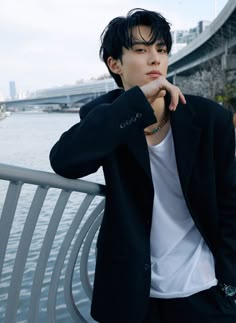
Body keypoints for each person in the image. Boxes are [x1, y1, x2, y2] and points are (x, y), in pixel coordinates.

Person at [49, 8, 236, 323]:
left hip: (207, 290)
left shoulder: (209, 119)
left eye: (161, 49)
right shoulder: (108, 117)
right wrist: (137, 102)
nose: (155, 58)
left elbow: (232, 203)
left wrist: (229, 280)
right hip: (135, 295)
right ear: (114, 64)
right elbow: (65, 162)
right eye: (140, 50)